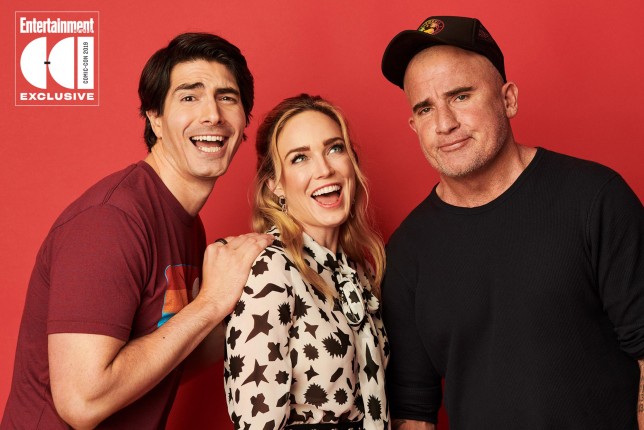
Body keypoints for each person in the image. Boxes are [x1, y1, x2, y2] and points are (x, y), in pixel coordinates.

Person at [379, 15, 644, 430]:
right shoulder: (407, 251)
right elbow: (413, 410)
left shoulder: (596, 199)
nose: (445, 123)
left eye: (461, 96)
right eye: (426, 108)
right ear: (414, 126)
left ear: (509, 99)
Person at [2, 33, 273, 429]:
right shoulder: (110, 221)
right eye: (189, 96)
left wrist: (262, 304)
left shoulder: (186, 224)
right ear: (155, 118)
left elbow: (159, 358)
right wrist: (211, 303)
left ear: (244, 118)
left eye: (227, 97)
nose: (212, 114)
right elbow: (82, 402)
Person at [223, 94, 390, 429]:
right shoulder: (270, 269)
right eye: (300, 158)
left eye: (335, 148)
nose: (325, 169)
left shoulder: (357, 270)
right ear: (275, 185)